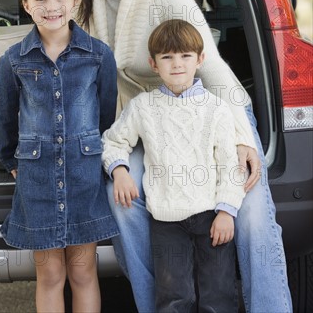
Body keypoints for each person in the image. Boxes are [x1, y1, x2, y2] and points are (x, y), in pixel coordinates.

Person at [77, 0, 292, 313]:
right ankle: (163, 304)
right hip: (143, 119)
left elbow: (214, 72)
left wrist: (243, 136)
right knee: (122, 201)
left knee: (248, 215)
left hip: (213, 110)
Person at [0, 0, 119, 313]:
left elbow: (106, 113)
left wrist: (97, 155)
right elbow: (4, 117)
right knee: (49, 275)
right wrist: (10, 161)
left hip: (84, 178)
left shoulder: (97, 55)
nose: (51, 7)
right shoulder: (14, 59)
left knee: (83, 272)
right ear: (26, 4)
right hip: (38, 182)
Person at [102, 19, 246, 312]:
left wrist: (227, 211)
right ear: (154, 64)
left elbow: (230, 165)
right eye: (167, 57)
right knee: (174, 296)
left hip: (211, 216)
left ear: (200, 59)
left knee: (218, 294)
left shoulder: (216, 108)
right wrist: (119, 171)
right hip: (166, 221)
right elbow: (113, 141)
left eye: (185, 56)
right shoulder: (143, 107)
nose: (177, 64)